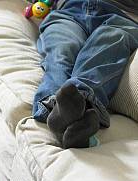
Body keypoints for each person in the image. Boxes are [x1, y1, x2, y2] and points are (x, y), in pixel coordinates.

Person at [32, 0, 138, 149]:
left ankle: (78, 108)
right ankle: (64, 111)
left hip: (122, 17)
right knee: (62, 51)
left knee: (111, 40)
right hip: (69, 13)